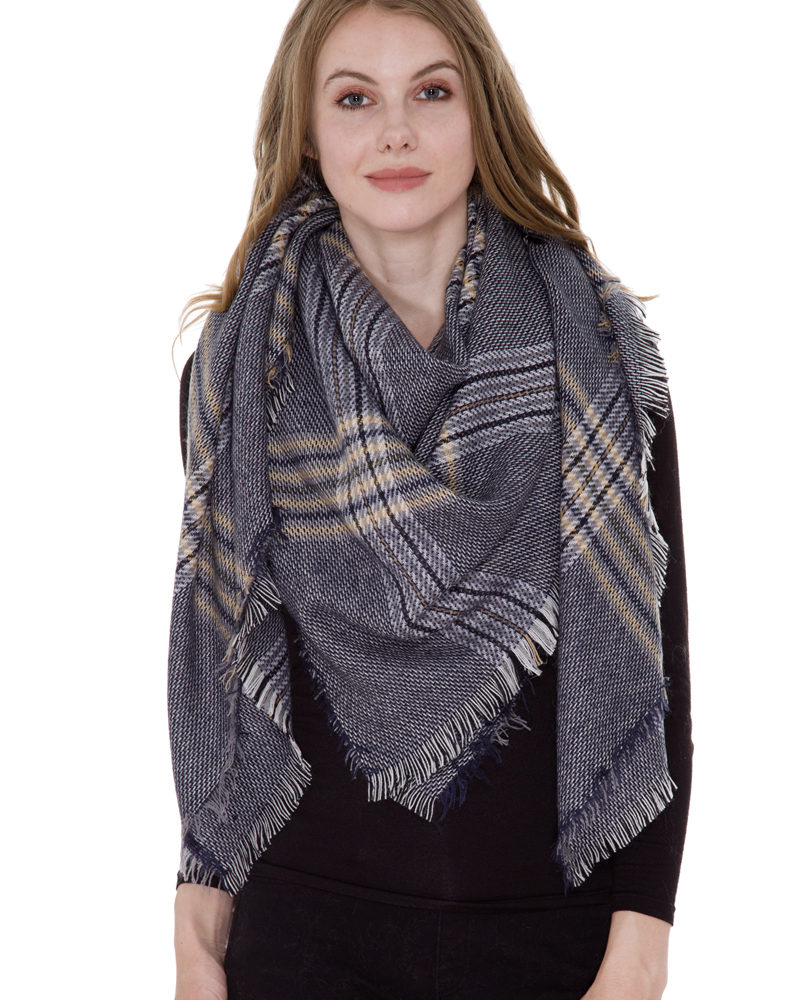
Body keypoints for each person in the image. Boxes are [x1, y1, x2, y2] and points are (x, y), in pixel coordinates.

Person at [168, 1, 692, 998]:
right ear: (307, 131)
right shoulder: (235, 373)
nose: (396, 131)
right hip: (300, 937)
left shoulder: (596, 354)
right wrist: (196, 940)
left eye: (432, 91)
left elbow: (654, 672)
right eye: (354, 99)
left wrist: (638, 953)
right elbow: (221, 669)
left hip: (551, 940)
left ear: (479, 112)